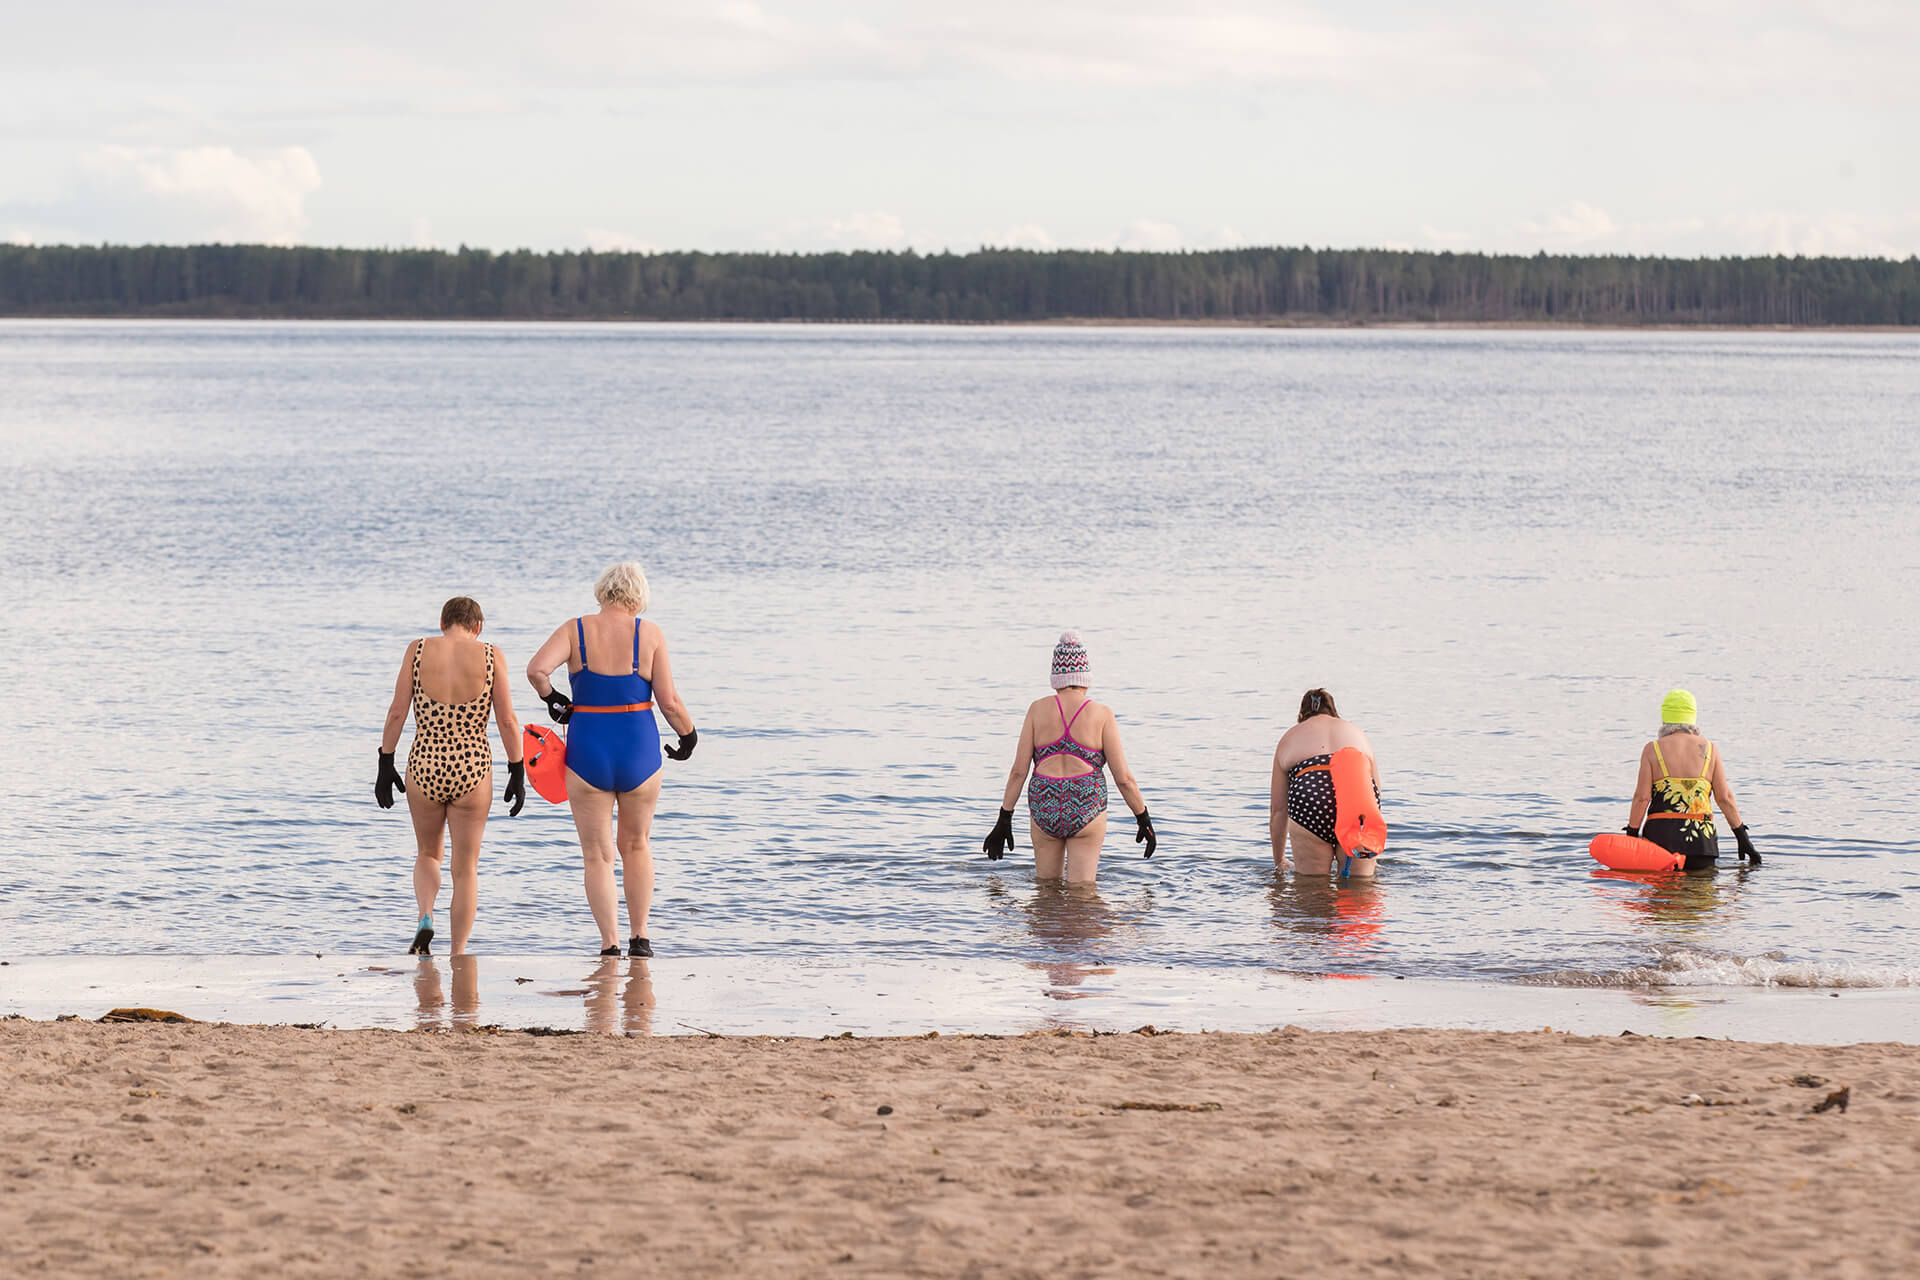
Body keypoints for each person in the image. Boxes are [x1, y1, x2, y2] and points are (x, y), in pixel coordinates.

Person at [526, 562, 697, 958]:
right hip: (638, 748)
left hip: (588, 747)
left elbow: (536, 670)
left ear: (602, 592)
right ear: (639, 597)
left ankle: (610, 944)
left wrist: (553, 699)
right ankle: (641, 938)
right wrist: (688, 736)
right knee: (636, 845)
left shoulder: (575, 629)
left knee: (597, 854)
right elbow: (669, 701)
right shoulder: (650, 634)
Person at [375, 596, 525, 956]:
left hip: (424, 763)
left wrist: (385, 761)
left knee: (428, 853)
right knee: (466, 867)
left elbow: (397, 712)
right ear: (478, 627)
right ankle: (458, 952)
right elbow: (507, 720)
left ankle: (425, 915)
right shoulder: (491, 655)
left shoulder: (419, 649)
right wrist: (517, 768)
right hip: (472, 768)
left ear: (443, 623)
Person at [982, 631, 1155, 883]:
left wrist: (1004, 819)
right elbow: (1124, 778)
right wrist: (1143, 818)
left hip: (1045, 805)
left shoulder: (1037, 709)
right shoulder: (1102, 714)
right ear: (1085, 677)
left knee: (1045, 890)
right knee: (1083, 893)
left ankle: (1047, 922)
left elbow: (1019, 772)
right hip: (1086, 805)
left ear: (1056, 677)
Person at [1625, 688, 1760, 870]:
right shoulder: (1710, 750)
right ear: (1692, 717)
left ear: (1665, 716)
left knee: (1662, 895)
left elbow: (1642, 798)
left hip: (1659, 839)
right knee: (1702, 894)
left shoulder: (1653, 749)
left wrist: (1632, 835)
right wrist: (1743, 838)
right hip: (1701, 842)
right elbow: (1724, 798)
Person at [1269, 688, 1383, 878]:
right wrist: (1370, 846)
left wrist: (1279, 860)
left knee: (1311, 890)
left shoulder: (1290, 737)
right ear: (1335, 713)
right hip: (1357, 802)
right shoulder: (1357, 732)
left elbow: (1278, 810)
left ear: (1301, 715)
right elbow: (1375, 793)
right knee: (1359, 892)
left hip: (1312, 799)